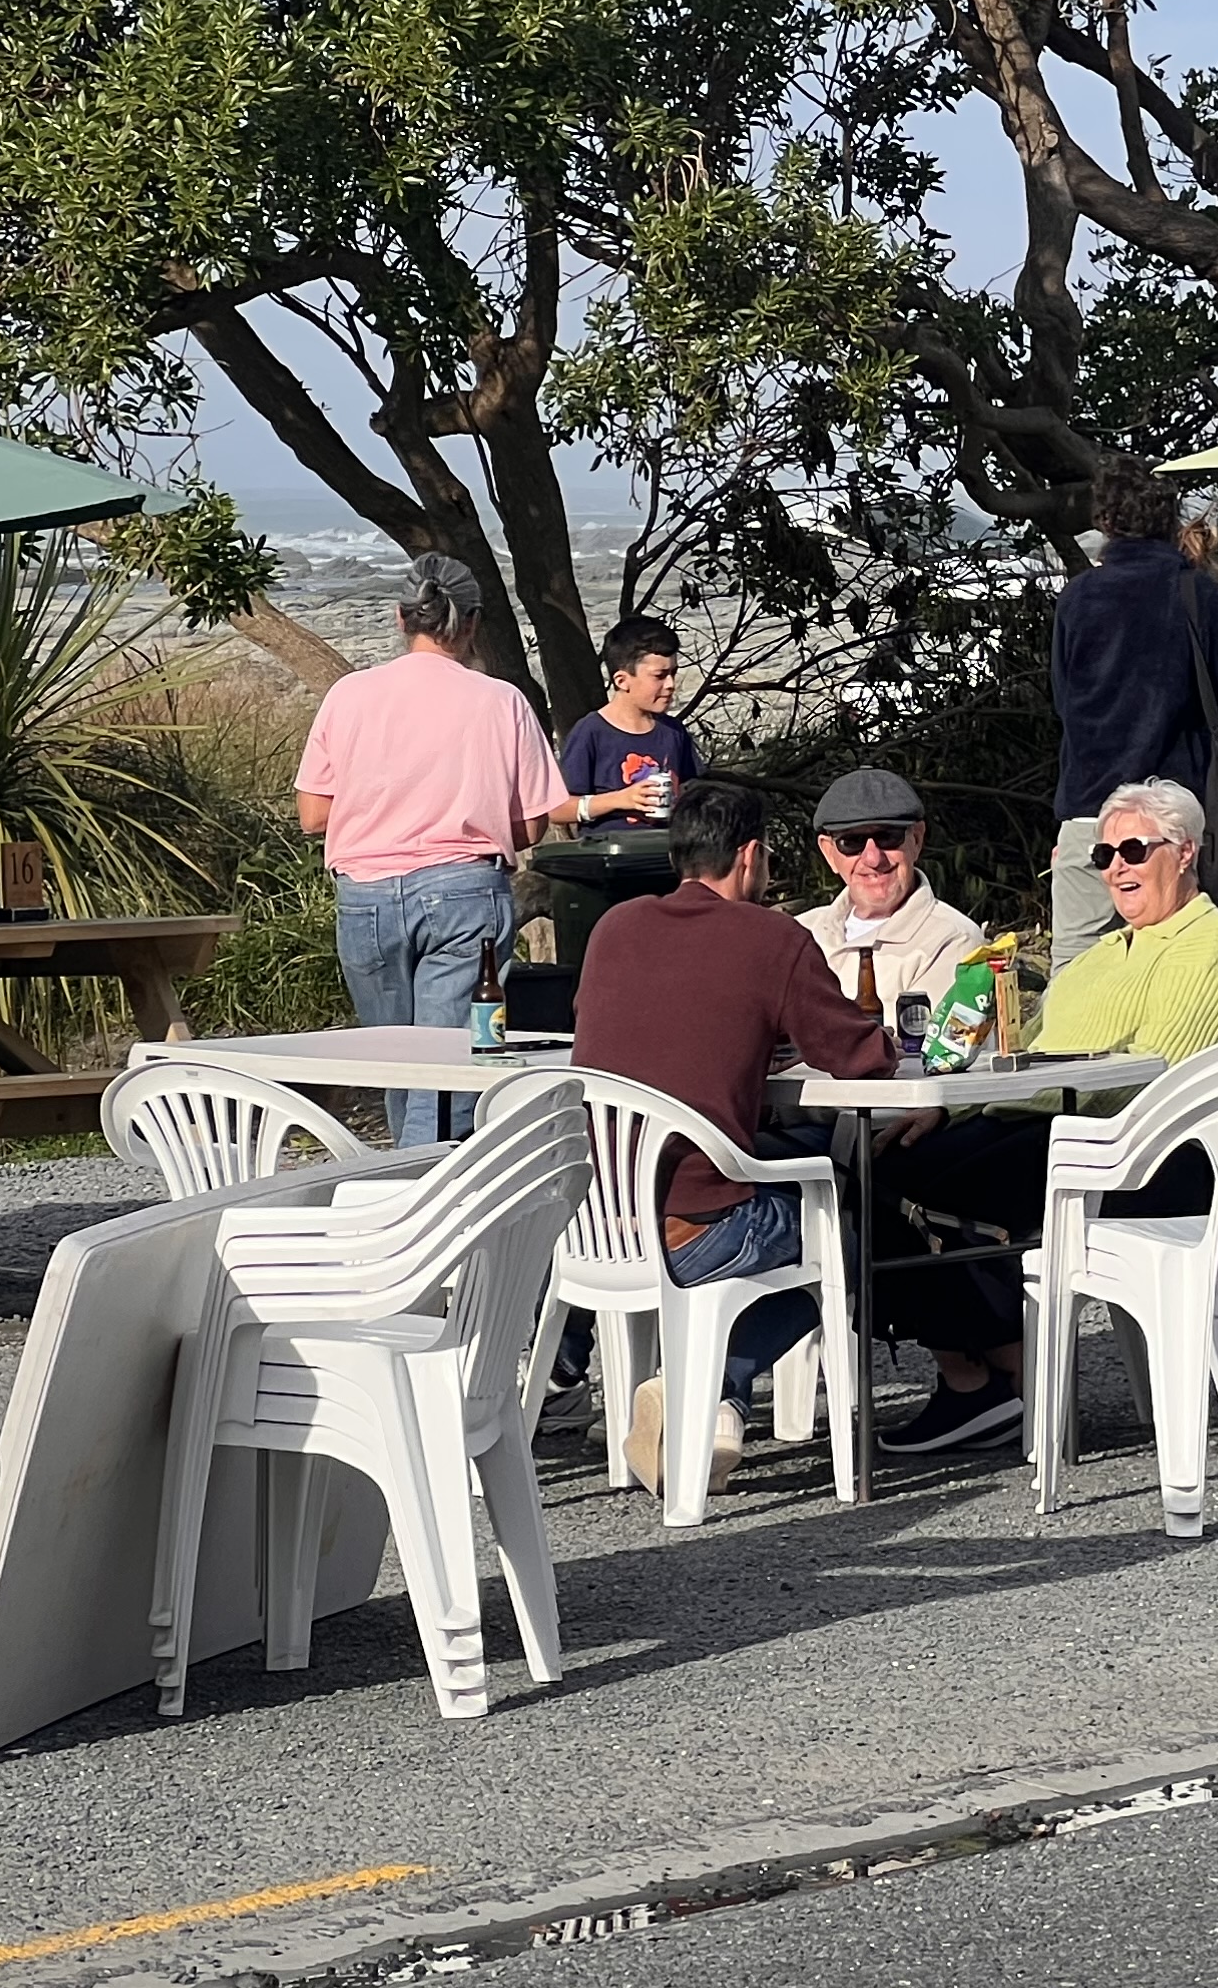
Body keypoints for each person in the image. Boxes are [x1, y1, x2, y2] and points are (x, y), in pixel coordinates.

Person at [868, 776, 1218, 1455]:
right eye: (1104, 855)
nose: (1116, 867)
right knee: (871, 1172)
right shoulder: (1102, 955)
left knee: (915, 1193)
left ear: (1185, 852)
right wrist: (950, 1109)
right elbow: (1025, 1055)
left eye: (1134, 850)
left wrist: (997, 1103)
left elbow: (1149, 1079)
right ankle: (985, 1372)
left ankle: (999, 1376)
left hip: (1150, 1157)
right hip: (1062, 1129)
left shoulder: (1213, 948)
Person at [572, 778, 897, 1497]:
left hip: (600, 1221)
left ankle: (707, 1399)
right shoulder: (772, 938)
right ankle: (710, 1386)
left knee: (778, 1176)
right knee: (843, 1233)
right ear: (751, 856)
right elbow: (859, 1056)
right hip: (700, 1229)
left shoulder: (613, 928)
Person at [293, 552, 576, 1143]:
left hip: (366, 895)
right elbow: (531, 825)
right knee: (451, 1064)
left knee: (395, 1060)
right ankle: (434, 1177)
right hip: (465, 891)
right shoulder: (501, 701)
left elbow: (313, 815)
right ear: (472, 622)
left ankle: (406, 1174)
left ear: (401, 618)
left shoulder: (350, 695)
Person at [1051, 466, 1218, 969]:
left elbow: (1063, 701)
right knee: (1184, 965)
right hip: (1172, 814)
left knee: (1075, 969)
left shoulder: (1077, 597)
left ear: (1104, 521)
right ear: (1169, 518)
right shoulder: (1194, 593)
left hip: (1090, 811)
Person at [795, 766, 988, 1023]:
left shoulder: (954, 941)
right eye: (852, 842)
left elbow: (930, 1046)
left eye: (888, 837)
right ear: (829, 853)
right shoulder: (798, 932)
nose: (873, 858)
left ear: (917, 839)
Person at [555, 615, 701, 829]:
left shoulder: (673, 731)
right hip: (610, 849)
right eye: (659, 676)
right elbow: (557, 809)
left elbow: (695, 791)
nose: (670, 684)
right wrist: (620, 799)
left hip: (668, 847)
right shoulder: (591, 732)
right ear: (622, 681)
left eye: (673, 673)